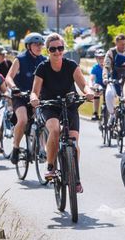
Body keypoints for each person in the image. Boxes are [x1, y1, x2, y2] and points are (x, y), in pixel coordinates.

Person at [30, 33, 94, 192]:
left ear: (64, 49)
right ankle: (51, 166)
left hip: (69, 105)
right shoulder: (42, 68)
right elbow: (35, 91)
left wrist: (88, 92)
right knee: (55, 130)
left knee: (74, 141)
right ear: (47, 50)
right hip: (50, 105)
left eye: (60, 48)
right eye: (53, 49)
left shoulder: (71, 65)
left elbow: (83, 85)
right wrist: (34, 99)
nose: (57, 52)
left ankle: (75, 177)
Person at [5, 33, 47, 164]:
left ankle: (42, 149)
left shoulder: (44, 60)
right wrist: (14, 88)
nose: (39, 47)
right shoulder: (20, 59)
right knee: (22, 120)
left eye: (41, 44)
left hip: (37, 97)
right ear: (28, 46)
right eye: (36, 44)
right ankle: (16, 147)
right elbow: (9, 77)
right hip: (20, 96)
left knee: (43, 121)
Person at [103, 34, 125, 126]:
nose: (123, 46)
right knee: (109, 94)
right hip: (114, 80)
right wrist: (105, 78)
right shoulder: (111, 53)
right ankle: (112, 114)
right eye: (121, 44)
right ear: (116, 43)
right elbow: (106, 66)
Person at [89, 49, 106, 121]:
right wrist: (91, 86)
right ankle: (95, 113)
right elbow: (91, 79)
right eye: (99, 58)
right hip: (99, 85)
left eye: (103, 58)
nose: (101, 60)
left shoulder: (108, 66)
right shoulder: (95, 68)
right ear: (96, 59)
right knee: (96, 90)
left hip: (108, 84)